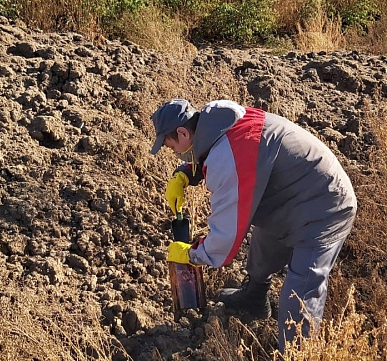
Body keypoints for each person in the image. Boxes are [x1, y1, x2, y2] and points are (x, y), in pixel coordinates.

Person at [150, 98, 357, 352]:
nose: (173, 152)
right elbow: (230, 153)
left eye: (171, 146)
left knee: (300, 294)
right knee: (264, 244)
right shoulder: (219, 122)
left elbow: (225, 241)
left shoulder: (229, 156)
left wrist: (191, 254)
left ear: (183, 132)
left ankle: (298, 354)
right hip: (293, 195)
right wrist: (187, 172)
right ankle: (254, 298)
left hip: (326, 206)